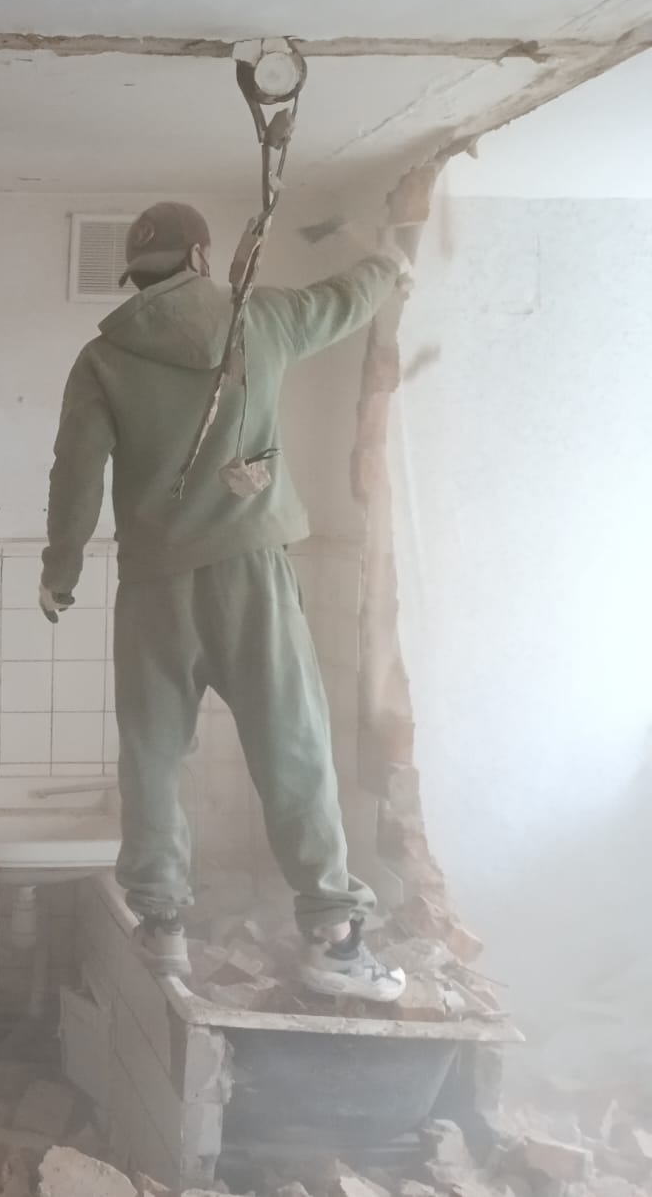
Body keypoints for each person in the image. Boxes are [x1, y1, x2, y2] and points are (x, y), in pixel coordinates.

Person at [39, 202, 409, 1003]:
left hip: (153, 586)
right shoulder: (262, 320)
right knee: (292, 747)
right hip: (251, 572)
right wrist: (390, 264)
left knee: (152, 754)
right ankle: (333, 936)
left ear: (136, 274)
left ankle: (163, 923)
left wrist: (59, 569)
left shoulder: (102, 358)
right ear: (202, 256)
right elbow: (344, 300)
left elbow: (76, 470)